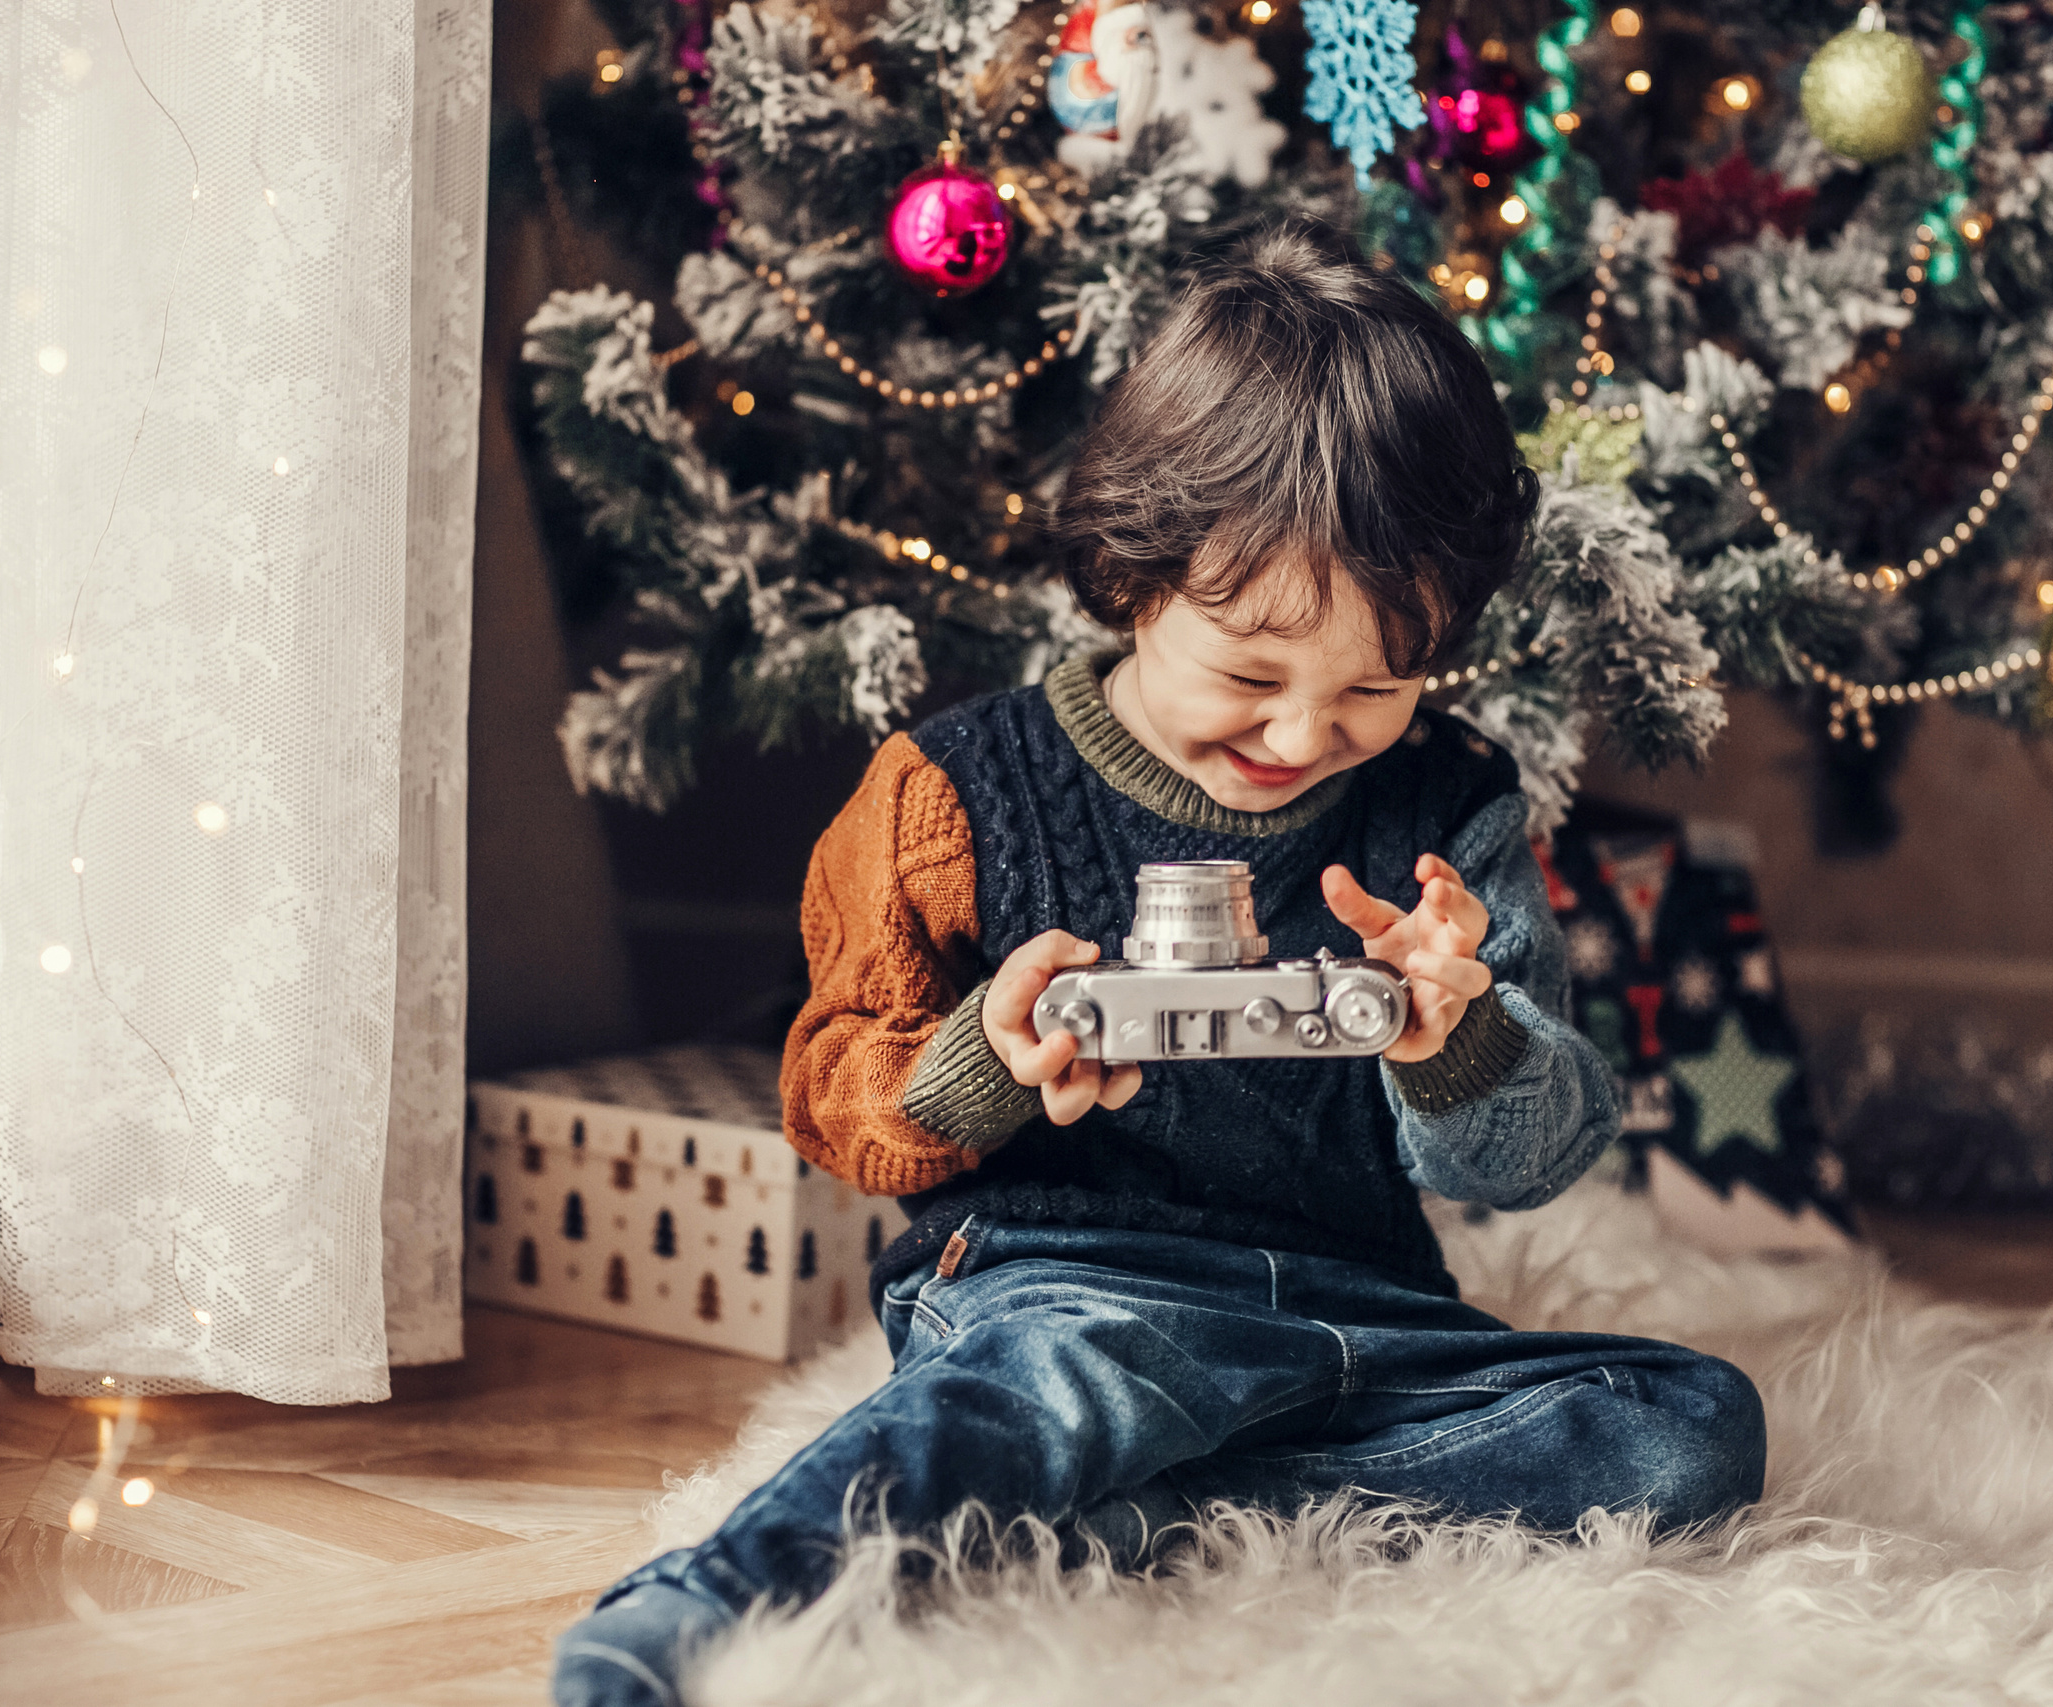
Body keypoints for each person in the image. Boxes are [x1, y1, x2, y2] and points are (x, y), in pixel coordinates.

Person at [553, 217, 1766, 1707]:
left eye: (1377, 687)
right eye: (1251, 675)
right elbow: (830, 1096)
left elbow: (1526, 1160)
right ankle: (706, 1608)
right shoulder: (952, 790)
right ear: (1133, 574)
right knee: (1049, 1388)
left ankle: (1150, 1512)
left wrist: (1453, 1035)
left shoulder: (1448, 811)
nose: (1304, 736)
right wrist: (983, 1066)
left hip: (1351, 1314)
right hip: (1065, 1287)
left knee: (1685, 1421)